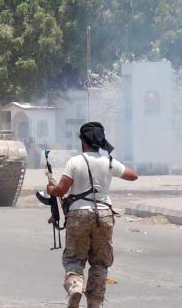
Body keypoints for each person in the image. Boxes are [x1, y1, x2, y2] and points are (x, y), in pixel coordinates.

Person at [46, 122, 138, 308]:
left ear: (83, 141)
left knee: (74, 258)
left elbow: (61, 189)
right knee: (100, 262)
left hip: (78, 214)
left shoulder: (75, 161)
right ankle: (95, 303)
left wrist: (51, 189)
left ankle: (75, 287)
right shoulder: (108, 161)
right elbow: (133, 175)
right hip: (104, 215)